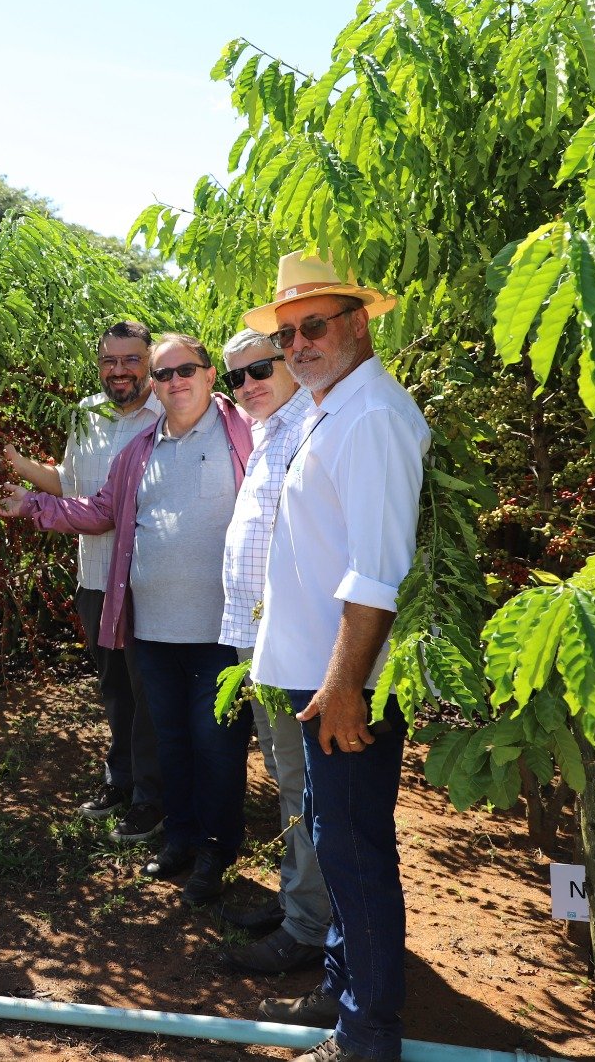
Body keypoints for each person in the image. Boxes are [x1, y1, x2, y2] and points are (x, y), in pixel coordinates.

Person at [244, 251, 429, 1062]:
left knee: (354, 851)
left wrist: (344, 685)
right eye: (286, 334)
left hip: (340, 685)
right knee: (338, 839)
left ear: (357, 322)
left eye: (312, 326)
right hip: (321, 677)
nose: (298, 345)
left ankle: (366, 1033)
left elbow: (376, 570)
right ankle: (343, 989)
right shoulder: (332, 406)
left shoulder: (373, 417)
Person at [0, 334, 254, 906]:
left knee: (218, 744)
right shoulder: (141, 449)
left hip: (220, 632)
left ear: (210, 376)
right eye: (164, 375)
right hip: (151, 629)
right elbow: (102, 509)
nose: (173, 381)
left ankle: (216, 850)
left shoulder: (244, 434)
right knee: (172, 738)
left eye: (185, 370)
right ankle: (180, 839)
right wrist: (31, 505)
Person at [0, 321, 163, 842]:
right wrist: (19, 467)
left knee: (147, 692)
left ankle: (153, 798)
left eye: (130, 360)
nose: (119, 370)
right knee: (114, 688)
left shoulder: (168, 413)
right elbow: (69, 483)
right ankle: (121, 779)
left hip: (144, 580)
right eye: (109, 361)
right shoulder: (87, 413)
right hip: (94, 576)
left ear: (148, 360)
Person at [213, 328, 329, 975]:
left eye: (260, 369)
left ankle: (309, 927)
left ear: (288, 362)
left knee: (302, 785)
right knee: (287, 781)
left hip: (291, 643)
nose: (248, 385)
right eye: (237, 376)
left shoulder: (306, 426)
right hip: (255, 639)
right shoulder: (265, 433)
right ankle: (298, 907)